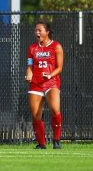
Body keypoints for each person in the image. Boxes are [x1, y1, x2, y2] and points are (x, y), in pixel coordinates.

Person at [25, 21, 64, 149]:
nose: (37, 32)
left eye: (40, 30)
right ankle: (41, 144)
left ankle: (57, 140)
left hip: (51, 82)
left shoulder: (56, 46)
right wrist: (29, 74)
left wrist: (50, 75)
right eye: (35, 30)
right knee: (35, 115)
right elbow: (30, 66)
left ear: (47, 32)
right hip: (36, 84)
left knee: (55, 110)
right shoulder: (32, 48)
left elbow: (59, 68)